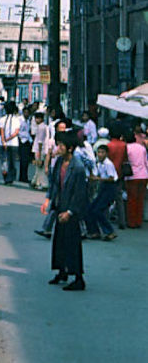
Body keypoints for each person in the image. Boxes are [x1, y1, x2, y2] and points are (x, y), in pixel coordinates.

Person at [45, 131, 88, 291]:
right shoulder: (59, 163)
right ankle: (62, 271)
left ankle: (78, 277)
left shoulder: (77, 167)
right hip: (60, 206)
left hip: (71, 210)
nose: (58, 147)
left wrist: (70, 212)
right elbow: (55, 184)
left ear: (70, 148)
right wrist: (48, 200)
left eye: (61, 145)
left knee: (72, 244)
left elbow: (80, 194)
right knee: (59, 242)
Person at [86, 145, 118, 241]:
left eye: (102, 152)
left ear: (106, 154)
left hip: (109, 188)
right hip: (103, 188)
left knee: (98, 210)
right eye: (99, 152)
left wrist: (98, 179)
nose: (100, 154)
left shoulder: (108, 164)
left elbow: (111, 178)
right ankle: (94, 231)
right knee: (91, 209)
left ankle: (109, 231)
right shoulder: (99, 163)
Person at [124, 132, 148, 228]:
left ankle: (132, 222)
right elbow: (146, 161)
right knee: (140, 199)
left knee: (132, 200)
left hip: (132, 176)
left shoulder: (127, 148)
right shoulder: (141, 148)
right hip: (143, 175)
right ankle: (138, 221)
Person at [106, 124, 128, 230]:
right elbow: (125, 158)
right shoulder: (124, 145)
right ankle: (122, 221)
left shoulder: (109, 145)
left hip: (109, 173)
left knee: (105, 198)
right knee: (119, 198)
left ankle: (105, 220)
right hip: (120, 173)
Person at [0, 101, 21, 185]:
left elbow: (1, 131)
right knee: (12, 162)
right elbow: (16, 132)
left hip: (3, 143)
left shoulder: (2, 119)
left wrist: (4, 140)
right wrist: (8, 139)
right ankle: (10, 178)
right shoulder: (17, 119)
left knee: (4, 161)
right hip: (13, 143)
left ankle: (5, 176)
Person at [31, 112, 49, 190]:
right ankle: (35, 182)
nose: (36, 120)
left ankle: (43, 183)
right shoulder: (44, 126)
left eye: (37, 118)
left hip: (39, 149)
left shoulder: (41, 127)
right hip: (40, 149)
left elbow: (40, 141)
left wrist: (39, 151)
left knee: (40, 167)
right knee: (38, 167)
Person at [18, 107, 32, 184]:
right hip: (22, 140)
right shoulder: (20, 120)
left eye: (28, 113)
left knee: (26, 161)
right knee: (23, 160)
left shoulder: (28, 120)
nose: (26, 114)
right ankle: (22, 177)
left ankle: (24, 176)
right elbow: (18, 130)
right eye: (25, 112)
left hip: (28, 140)